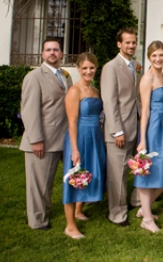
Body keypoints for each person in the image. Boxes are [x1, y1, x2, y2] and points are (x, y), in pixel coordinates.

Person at [20, 37, 73, 230]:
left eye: (56, 49)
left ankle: (73, 211)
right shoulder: (34, 77)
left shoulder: (65, 76)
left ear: (61, 53)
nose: (52, 53)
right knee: (40, 185)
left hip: (64, 137)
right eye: (48, 50)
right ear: (42, 54)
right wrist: (36, 139)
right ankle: (38, 220)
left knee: (69, 177)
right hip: (43, 139)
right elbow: (29, 110)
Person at [134, 41, 163, 233]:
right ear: (149, 57)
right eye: (154, 56)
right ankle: (147, 219)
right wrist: (143, 139)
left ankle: (145, 209)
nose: (158, 59)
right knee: (149, 172)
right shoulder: (147, 78)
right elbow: (144, 111)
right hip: (152, 127)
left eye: (161, 55)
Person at [62, 52, 105, 239]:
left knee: (90, 173)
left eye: (92, 68)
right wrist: (75, 149)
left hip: (95, 136)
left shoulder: (95, 91)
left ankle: (79, 211)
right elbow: (71, 122)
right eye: (85, 68)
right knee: (74, 178)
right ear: (78, 69)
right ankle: (70, 226)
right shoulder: (74, 91)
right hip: (78, 138)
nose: (88, 71)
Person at [101, 28, 141, 227]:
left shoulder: (135, 65)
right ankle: (117, 213)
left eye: (133, 42)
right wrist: (117, 130)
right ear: (119, 44)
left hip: (134, 125)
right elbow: (109, 101)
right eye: (127, 42)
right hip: (119, 130)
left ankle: (133, 201)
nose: (131, 46)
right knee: (117, 174)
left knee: (131, 169)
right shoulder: (111, 67)